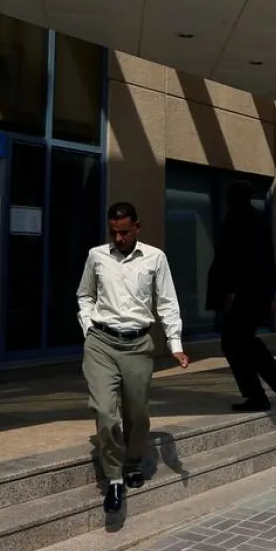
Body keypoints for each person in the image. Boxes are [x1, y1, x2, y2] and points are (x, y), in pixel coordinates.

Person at [76, 200, 188, 515]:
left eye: (124, 232)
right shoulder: (96, 256)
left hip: (138, 345)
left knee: (137, 414)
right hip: (101, 343)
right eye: (114, 232)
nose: (119, 239)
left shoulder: (155, 258)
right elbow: (85, 294)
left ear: (136, 227)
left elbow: (167, 302)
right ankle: (113, 477)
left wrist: (175, 342)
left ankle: (134, 460)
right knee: (105, 411)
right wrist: (88, 327)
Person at [206, 182, 276, 412]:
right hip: (256, 294)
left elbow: (237, 261)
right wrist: (274, 293)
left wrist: (232, 292)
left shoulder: (239, 220)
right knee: (243, 342)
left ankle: (263, 391)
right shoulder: (256, 219)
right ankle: (274, 383)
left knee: (234, 343)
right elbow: (268, 258)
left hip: (244, 295)